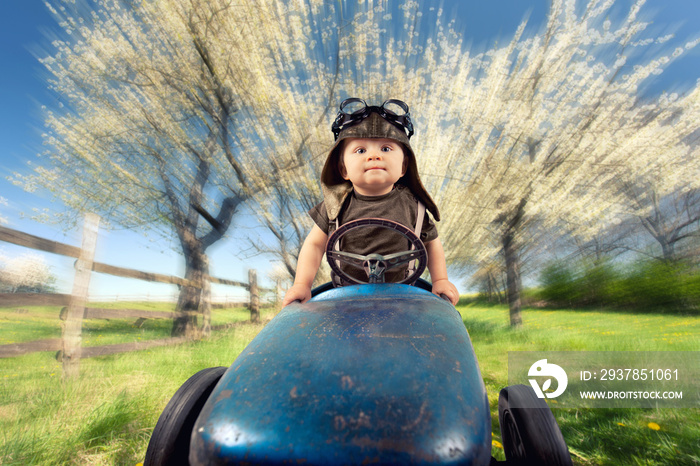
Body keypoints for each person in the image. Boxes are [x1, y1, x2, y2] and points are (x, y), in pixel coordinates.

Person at [282, 98, 459, 306]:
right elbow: (314, 244)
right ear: (343, 170)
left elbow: (431, 243)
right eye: (360, 150)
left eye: (385, 149)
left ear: (403, 167)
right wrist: (302, 283)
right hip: (346, 298)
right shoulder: (334, 205)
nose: (374, 156)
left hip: (404, 297)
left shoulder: (415, 206)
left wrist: (440, 280)